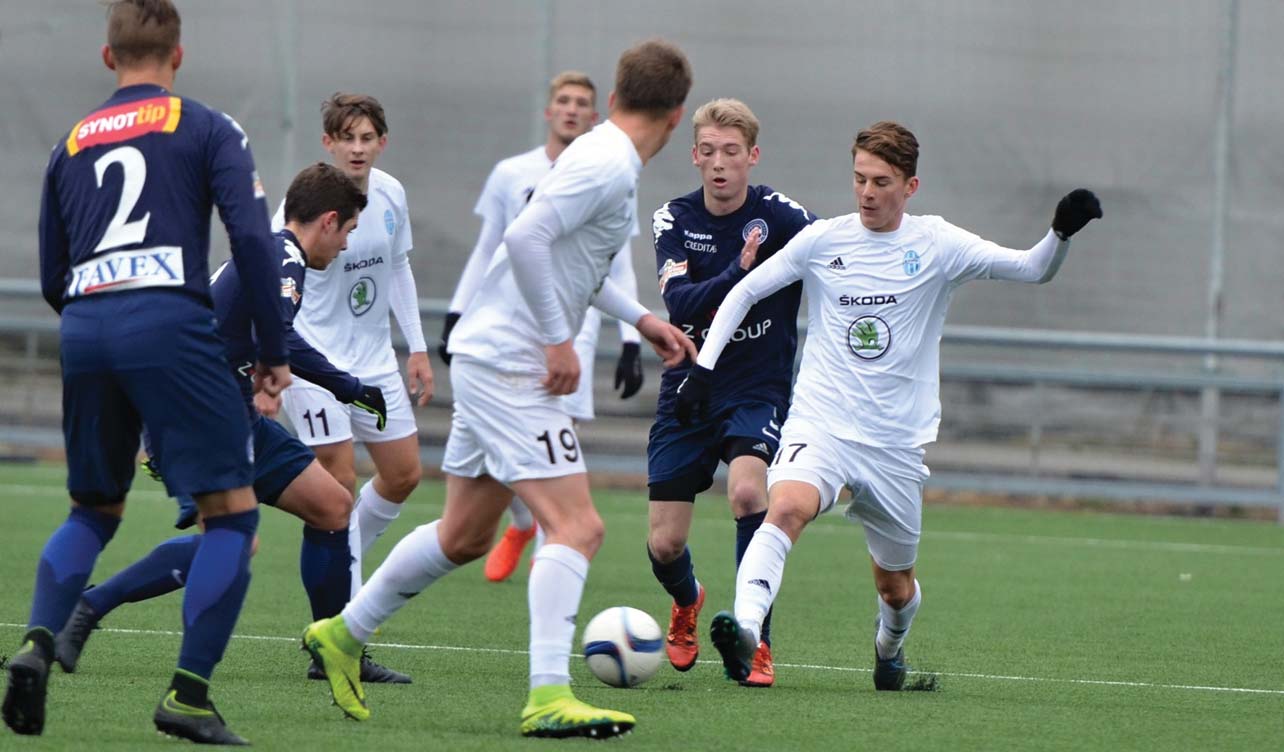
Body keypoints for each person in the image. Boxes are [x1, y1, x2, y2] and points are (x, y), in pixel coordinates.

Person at [302, 39, 695, 739]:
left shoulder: (603, 156)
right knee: (578, 526)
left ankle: (342, 632)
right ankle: (548, 694)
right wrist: (553, 337)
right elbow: (526, 238)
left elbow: (574, 259)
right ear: (677, 117)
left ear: (611, 100)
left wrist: (640, 319)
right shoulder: (608, 164)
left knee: (464, 534)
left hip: (493, 354)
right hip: (514, 362)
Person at [675, 120, 1102, 688]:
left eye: (881, 181)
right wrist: (704, 369)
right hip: (822, 421)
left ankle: (889, 644)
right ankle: (748, 633)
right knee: (785, 508)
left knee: (895, 587)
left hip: (896, 442)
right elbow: (748, 289)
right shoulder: (825, 239)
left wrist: (1061, 233)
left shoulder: (939, 243)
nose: (867, 193)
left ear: (911, 186)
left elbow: (1030, 268)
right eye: (859, 179)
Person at [5, 0, 291, 744]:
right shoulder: (205, 126)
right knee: (232, 515)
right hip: (169, 324)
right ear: (179, 55)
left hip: (87, 328)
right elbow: (253, 241)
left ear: (109, 59)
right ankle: (188, 698)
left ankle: (36, 642)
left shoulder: (70, 142)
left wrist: (96, 321)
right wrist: (273, 349)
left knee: (92, 511)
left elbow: (50, 273)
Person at [52, 163, 409, 684]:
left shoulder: (269, 252)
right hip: (202, 415)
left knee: (333, 506)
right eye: (350, 232)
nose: (347, 246)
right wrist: (349, 386)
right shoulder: (283, 258)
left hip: (225, 412)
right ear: (329, 221)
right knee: (233, 541)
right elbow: (280, 341)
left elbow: (253, 336)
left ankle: (333, 648)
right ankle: (86, 609)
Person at [439, 71, 647, 583]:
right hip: (508, 338)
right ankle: (528, 526)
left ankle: (548, 547)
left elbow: (613, 265)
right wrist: (456, 311)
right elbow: (496, 245)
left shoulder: (612, 171)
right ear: (549, 110)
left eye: (583, 102)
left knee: (553, 464)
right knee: (484, 507)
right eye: (564, 101)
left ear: (600, 113)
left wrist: (632, 336)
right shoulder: (514, 172)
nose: (573, 109)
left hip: (570, 332)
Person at [646, 98, 815, 688]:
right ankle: (688, 600)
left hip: (756, 387)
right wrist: (738, 274)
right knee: (665, 544)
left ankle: (756, 642)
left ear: (752, 156)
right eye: (709, 152)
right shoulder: (673, 219)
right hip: (689, 387)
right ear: (694, 156)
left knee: (748, 493)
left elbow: (834, 255)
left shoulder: (784, 216)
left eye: (732, 152)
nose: (720, 164)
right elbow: (681, 305)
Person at [275, 93, 432, 604]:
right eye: (347, 138)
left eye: (367, 138)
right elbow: (275, 280)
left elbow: (398, 268)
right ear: (329, 143)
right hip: (314, 364)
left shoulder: (391, 195)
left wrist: (418, 348)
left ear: (382, 143)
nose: (358, 149)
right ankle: (344, 620)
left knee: (404, 474)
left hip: (374, 360)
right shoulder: (302, 204)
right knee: (339, 486)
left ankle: (339, 558)